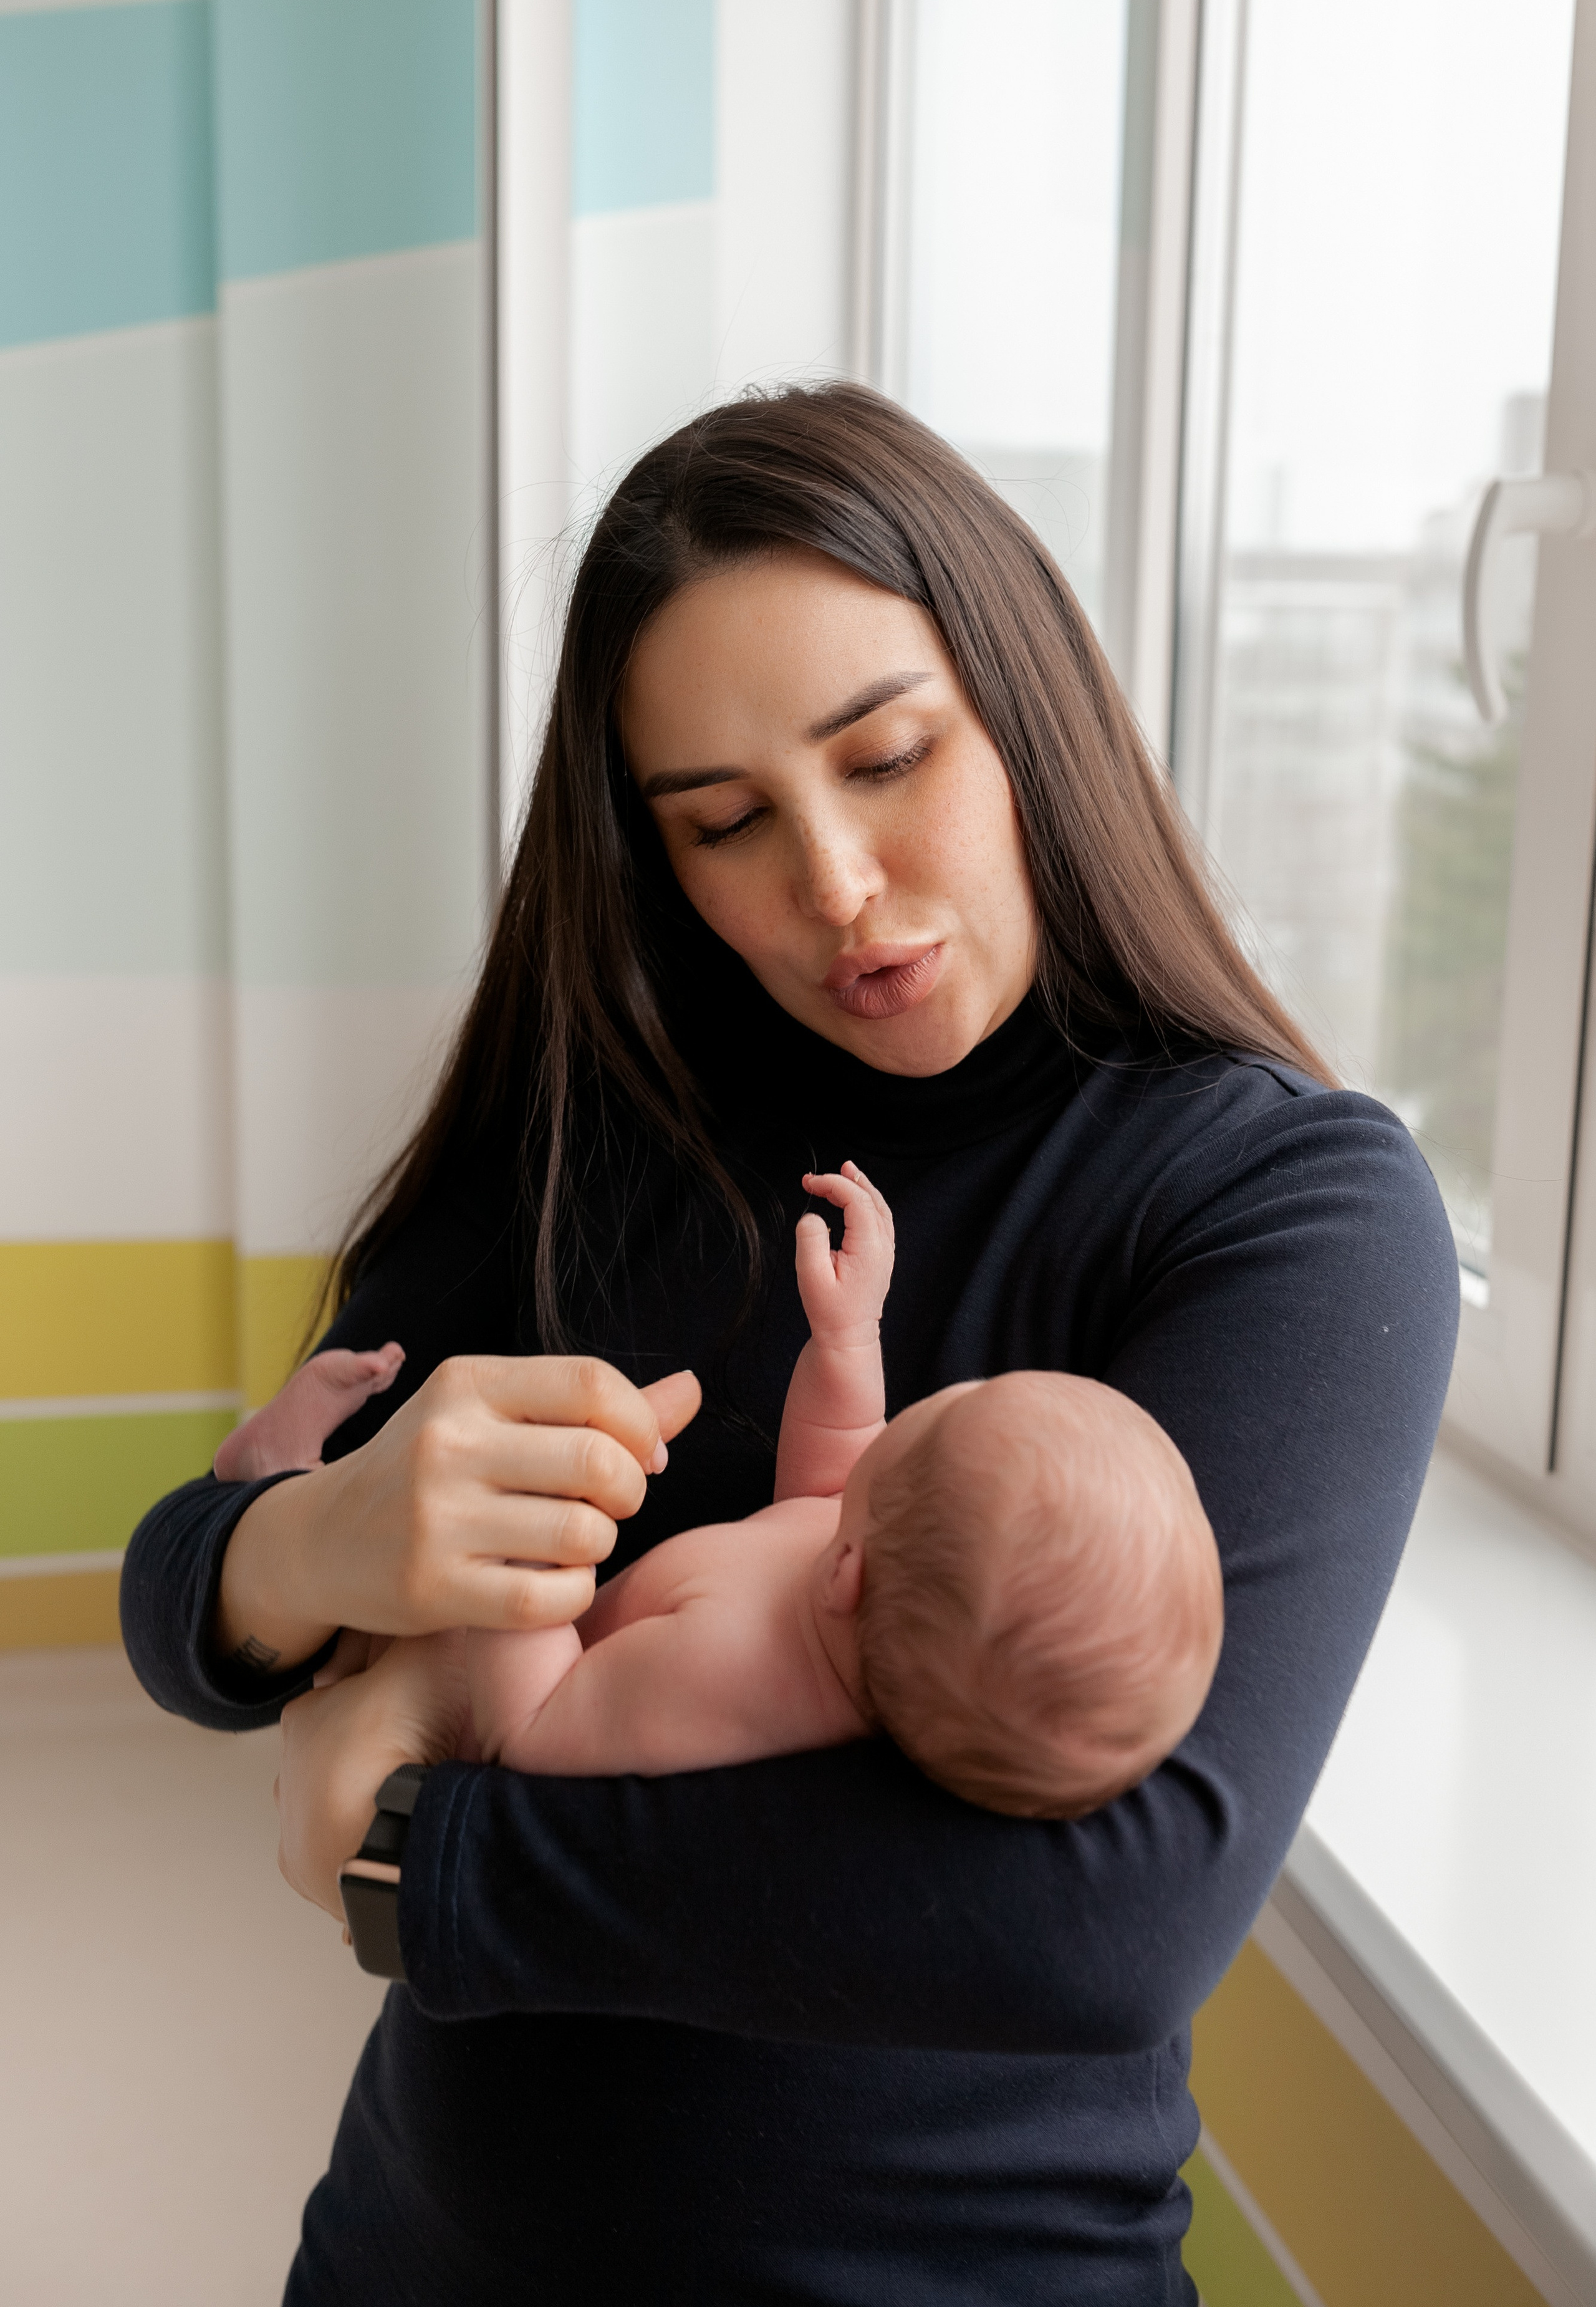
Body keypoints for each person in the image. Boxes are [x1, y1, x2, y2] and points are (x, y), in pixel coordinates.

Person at [120, 383, 1458, 2305]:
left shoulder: (1283, 1212)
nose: (833, 887)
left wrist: (429, 1854)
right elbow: (198, 1617)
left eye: (889, 758)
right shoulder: (592, 1125)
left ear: (1025, 716)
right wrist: (309, 1553)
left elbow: (1104, 1926)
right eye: (726, 824)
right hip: (412, 2253)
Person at [219, 1166, 1223, 1814]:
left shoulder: (729, 1679)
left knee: (380, 1627)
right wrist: (847, 1338)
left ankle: (277, 1478)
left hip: (475, 1696)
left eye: (958, 1407)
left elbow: (541, 1730)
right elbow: (832, 1471)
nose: (953, 1386)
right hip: (530, 1639)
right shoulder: (856, 1581)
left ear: (851, 1573)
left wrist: (529, 1554)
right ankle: (290, 1490)